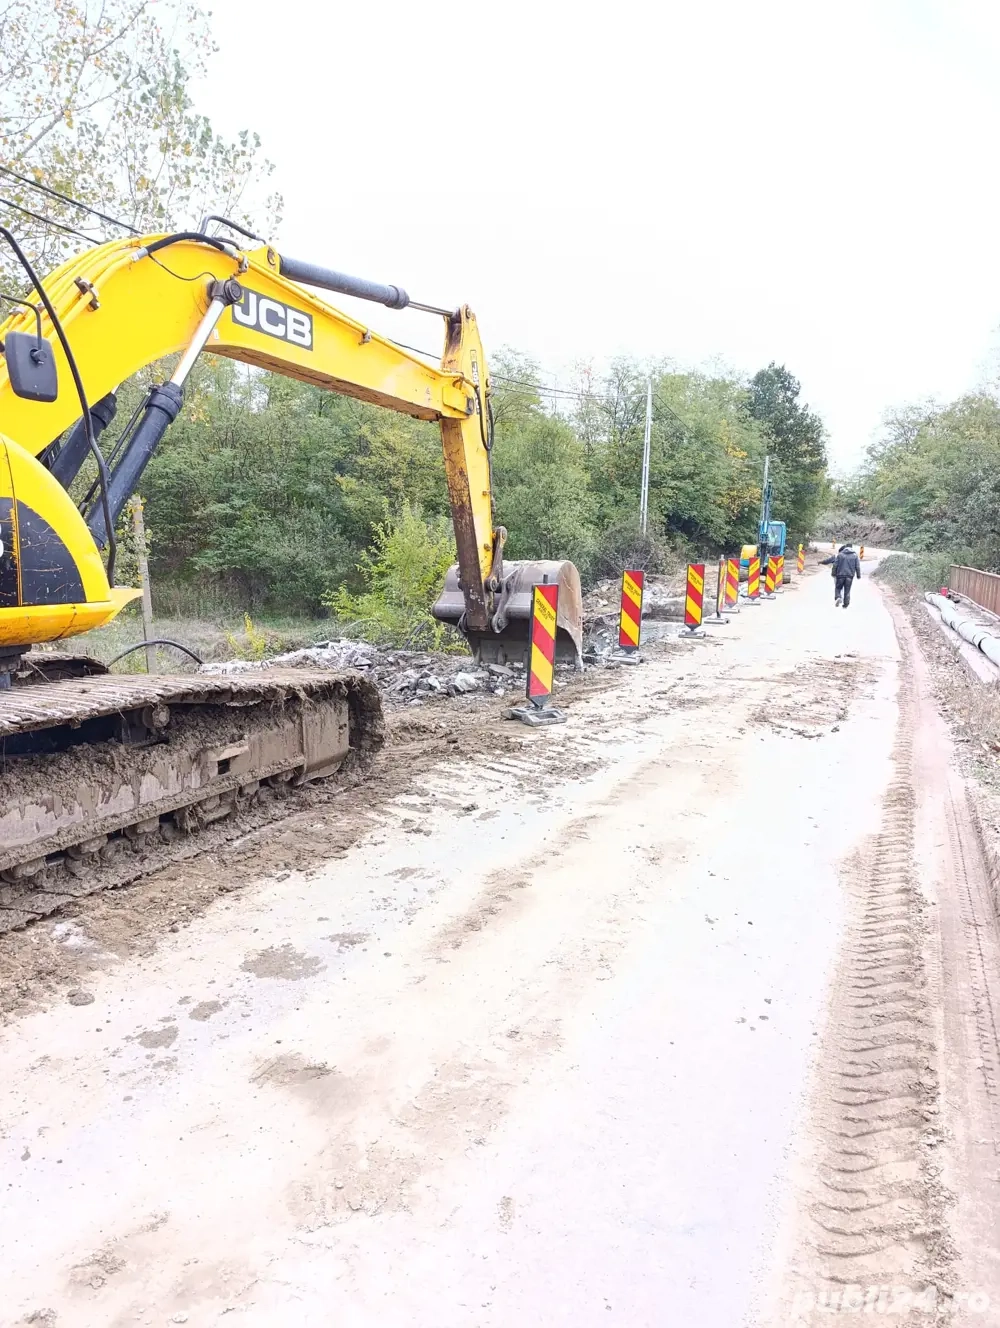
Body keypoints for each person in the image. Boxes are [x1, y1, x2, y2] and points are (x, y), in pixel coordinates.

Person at [831, 543, 862, 608]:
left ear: (845, 547)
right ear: (851, 548)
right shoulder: (855, 555)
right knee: (847, 590)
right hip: (850, 576)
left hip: (840, 575)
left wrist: (833, 573)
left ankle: (838, 597)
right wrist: (858, 575)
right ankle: (845, 605)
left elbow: (835, 565)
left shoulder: (840, 554)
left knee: (838, 588)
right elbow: (857, 566)